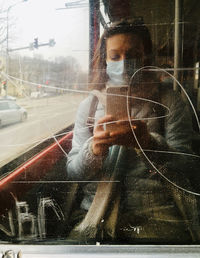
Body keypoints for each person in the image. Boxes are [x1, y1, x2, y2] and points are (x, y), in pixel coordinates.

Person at [66, 20, 200, 243]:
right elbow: (73, 172)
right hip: (96, 213)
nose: (124, 62)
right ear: (105, 61)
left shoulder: (170, 101)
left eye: (133, 54)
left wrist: (149, 143)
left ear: (146, 57)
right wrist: (95, 149)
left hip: (159, 214)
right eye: (115, 56)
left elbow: (187, 168)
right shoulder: (88, 107)